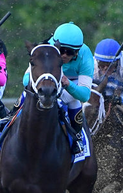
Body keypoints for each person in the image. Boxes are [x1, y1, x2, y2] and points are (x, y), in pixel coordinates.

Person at [12, 22, 94, 155]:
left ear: (77, 51)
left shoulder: (85, 55)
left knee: (74, 101)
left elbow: (85, 95)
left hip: (70, 83)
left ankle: (77, 137)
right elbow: (26, 80)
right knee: (27, 93)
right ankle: (9, 119)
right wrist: (43, 83)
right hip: (48, 82)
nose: (64, 55)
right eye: (62, 51)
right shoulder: (47, 47)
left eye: (70, 52)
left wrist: (68, 84)